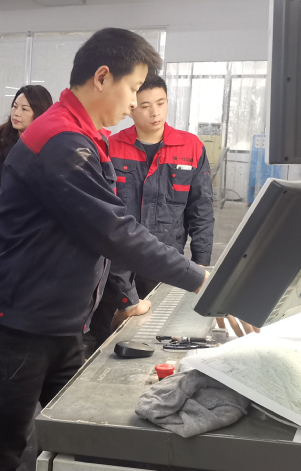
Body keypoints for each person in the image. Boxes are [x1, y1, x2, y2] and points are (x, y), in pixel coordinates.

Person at [0, 28, 210, 471]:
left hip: (60, 323)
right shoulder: (62, 141)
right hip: (21, 327)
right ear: (102, 77)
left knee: (75, 434)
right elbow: (114, 231)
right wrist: (199, 279)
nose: (134, 104)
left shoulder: (82, 135)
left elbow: (102, 234)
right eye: (133, 89)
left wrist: (123, 297)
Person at [87, 73, 215, 349]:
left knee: (156, 340)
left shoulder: (191, 147)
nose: (155, 113)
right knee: (106, 343)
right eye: (145, 106)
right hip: (114, 270)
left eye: (161, 103)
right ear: (132, 107)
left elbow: (201, 208)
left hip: (164, 266)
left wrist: (200, 264)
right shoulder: (110, 147)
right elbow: (105, 219)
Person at [0, 85, 53, 285]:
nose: (16, 113)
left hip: (32, 238)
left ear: (40, 112)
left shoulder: (51, 147)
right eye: (15, 106)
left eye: (25, 109)